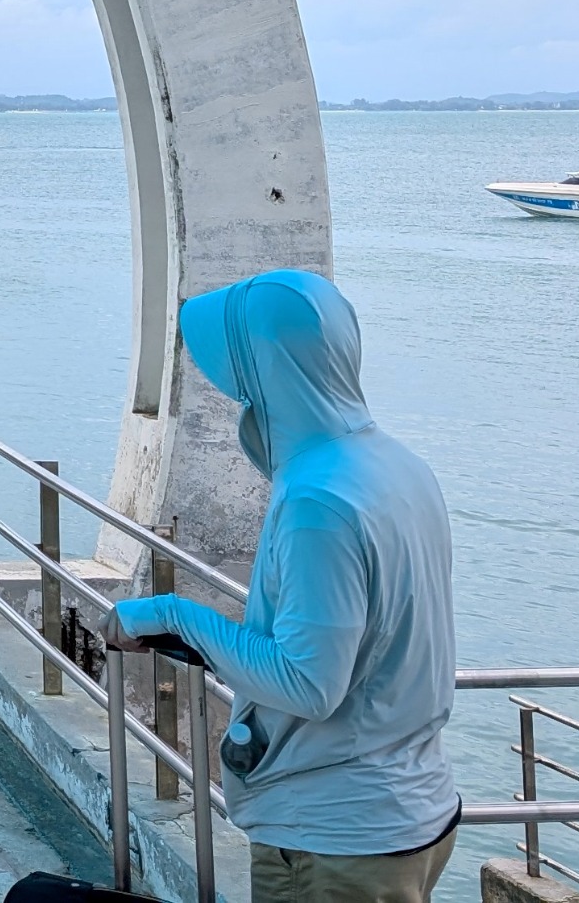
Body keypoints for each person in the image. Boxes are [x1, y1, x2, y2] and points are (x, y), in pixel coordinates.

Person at [106, 270, 457, 903]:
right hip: (412, 811)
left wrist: (175, 616)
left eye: (239, 384)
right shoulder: (400, 467)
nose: (236, 403)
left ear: (268, 380)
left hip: (336, 839)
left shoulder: (316, 501)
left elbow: (308, 683)